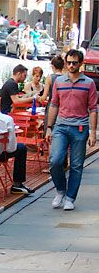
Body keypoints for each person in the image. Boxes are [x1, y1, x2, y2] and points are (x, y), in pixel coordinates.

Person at [46, 50, 97, 211]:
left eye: (74, 63)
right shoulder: (59, 82)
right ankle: (61, 190)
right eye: (68, 62)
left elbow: (93, 109)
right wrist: (49, 127)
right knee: (55, 160)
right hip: (61, 126)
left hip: (80, 127)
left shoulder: (89, 83)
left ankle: (70, 197)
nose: (71, 65)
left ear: (80, 64)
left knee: (76, 165)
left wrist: (93, 132)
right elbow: (54, 104)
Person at [0, 87, 35, 195]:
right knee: (21, 148)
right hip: (1, 154)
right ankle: (17, 184)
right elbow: (11, 148)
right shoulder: (7, 119)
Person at [39, 55, 65, 136]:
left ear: (53, 66)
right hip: (63, 107)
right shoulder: (66, 78)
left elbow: (43, 97)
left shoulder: (50, 78)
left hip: (52, 105)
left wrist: (37, 98)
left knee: (49, 130)